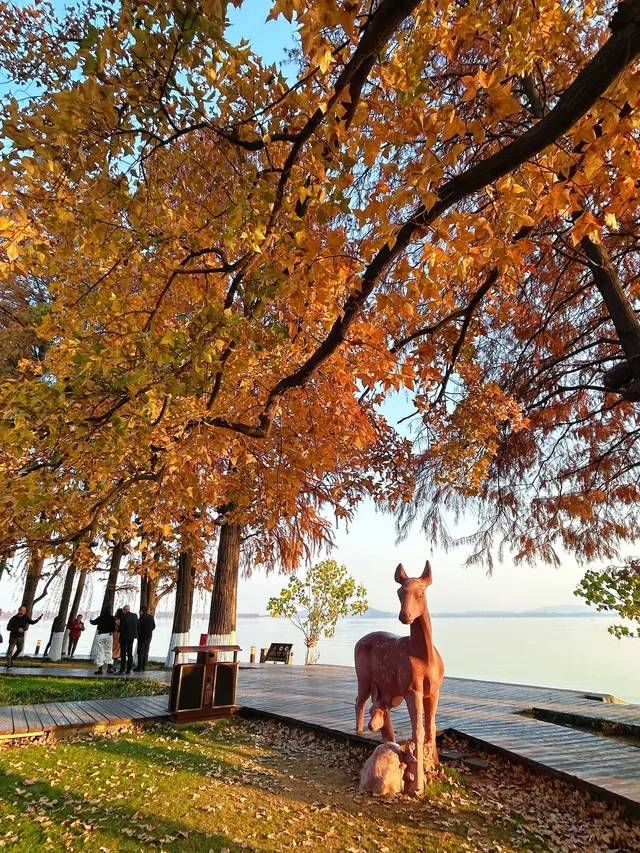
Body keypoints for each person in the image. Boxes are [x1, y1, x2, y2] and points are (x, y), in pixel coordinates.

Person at [90, 605, 116, 675]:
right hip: (109, 635)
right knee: (109, 651)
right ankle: (109, 668)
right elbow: (114, 627)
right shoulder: (112, 618)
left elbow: (93, 622)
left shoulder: (100, 618)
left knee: (100, 652)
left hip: (101, 635)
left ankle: (100, 669)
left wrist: (90, 620)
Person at [116, 604, 138, 674]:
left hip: (124, 638)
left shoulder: (123, 617)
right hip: (132, 637)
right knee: (130, 653)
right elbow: (138, 624)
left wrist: (118, 630)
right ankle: (129, 669)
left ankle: (122, 669)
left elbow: (121, 628)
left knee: (123, 654)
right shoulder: (135, 616)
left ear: (123, 610)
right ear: (129, 609)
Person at [134, 606, 156, 672]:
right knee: (146, 652)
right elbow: (154, 626)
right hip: (149, 636)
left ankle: (139, 667)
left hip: (141, 637)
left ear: (141, 611)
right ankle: (144, 666)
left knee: (140, 652)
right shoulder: (151, 617)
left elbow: (137, 628)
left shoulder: (140, 619)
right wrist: (149, 631)